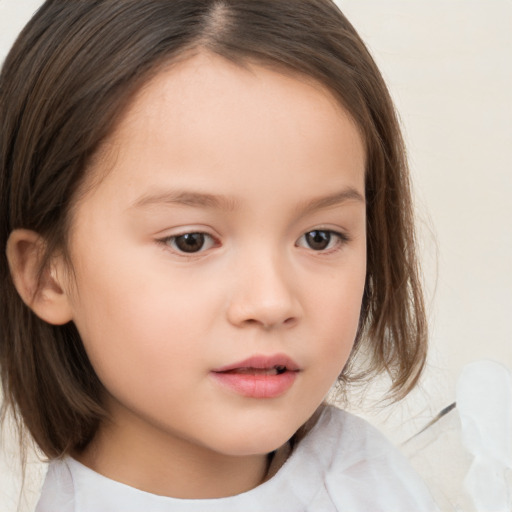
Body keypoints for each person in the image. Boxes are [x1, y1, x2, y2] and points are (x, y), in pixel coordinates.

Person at [0, 1, 438, 510]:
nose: (271, 302)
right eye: (191, 241)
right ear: (47, 275)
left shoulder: (372, 479)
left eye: (319, 237)